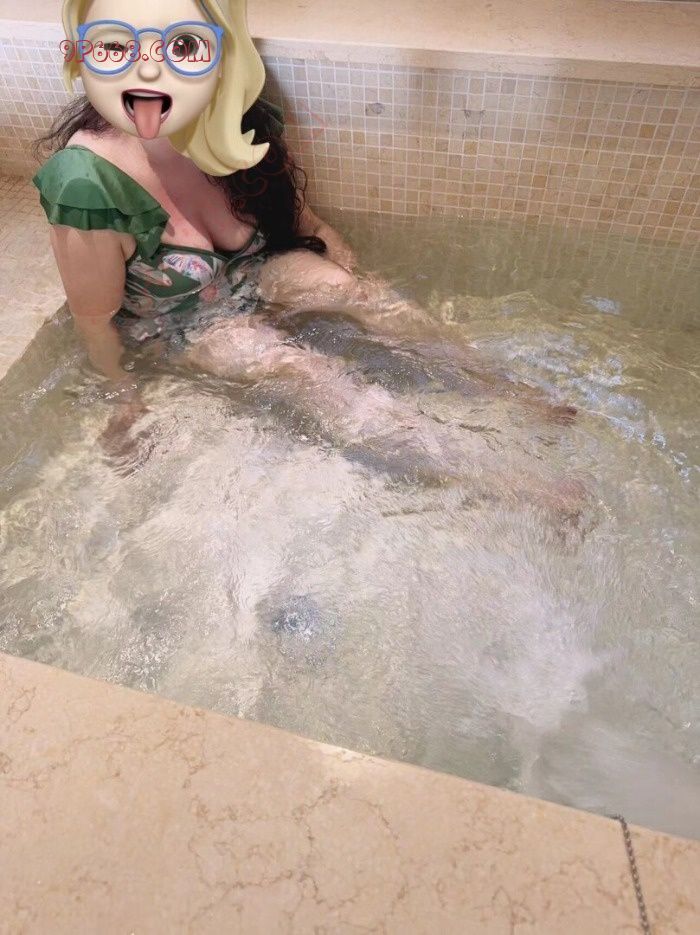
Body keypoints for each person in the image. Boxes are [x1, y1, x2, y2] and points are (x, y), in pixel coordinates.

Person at [34, 0, 582, 506]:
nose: (150, 70)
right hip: (183, 322)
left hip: (252, 273)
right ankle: (500, 476)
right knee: (301, 370)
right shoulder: (86, 183)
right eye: (117, 46)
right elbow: (94, 318)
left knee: (354, 292)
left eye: (181, 46)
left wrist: (351, 282)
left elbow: (305, 222)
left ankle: (506, 391)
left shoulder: (226, 115)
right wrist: (122, 394)